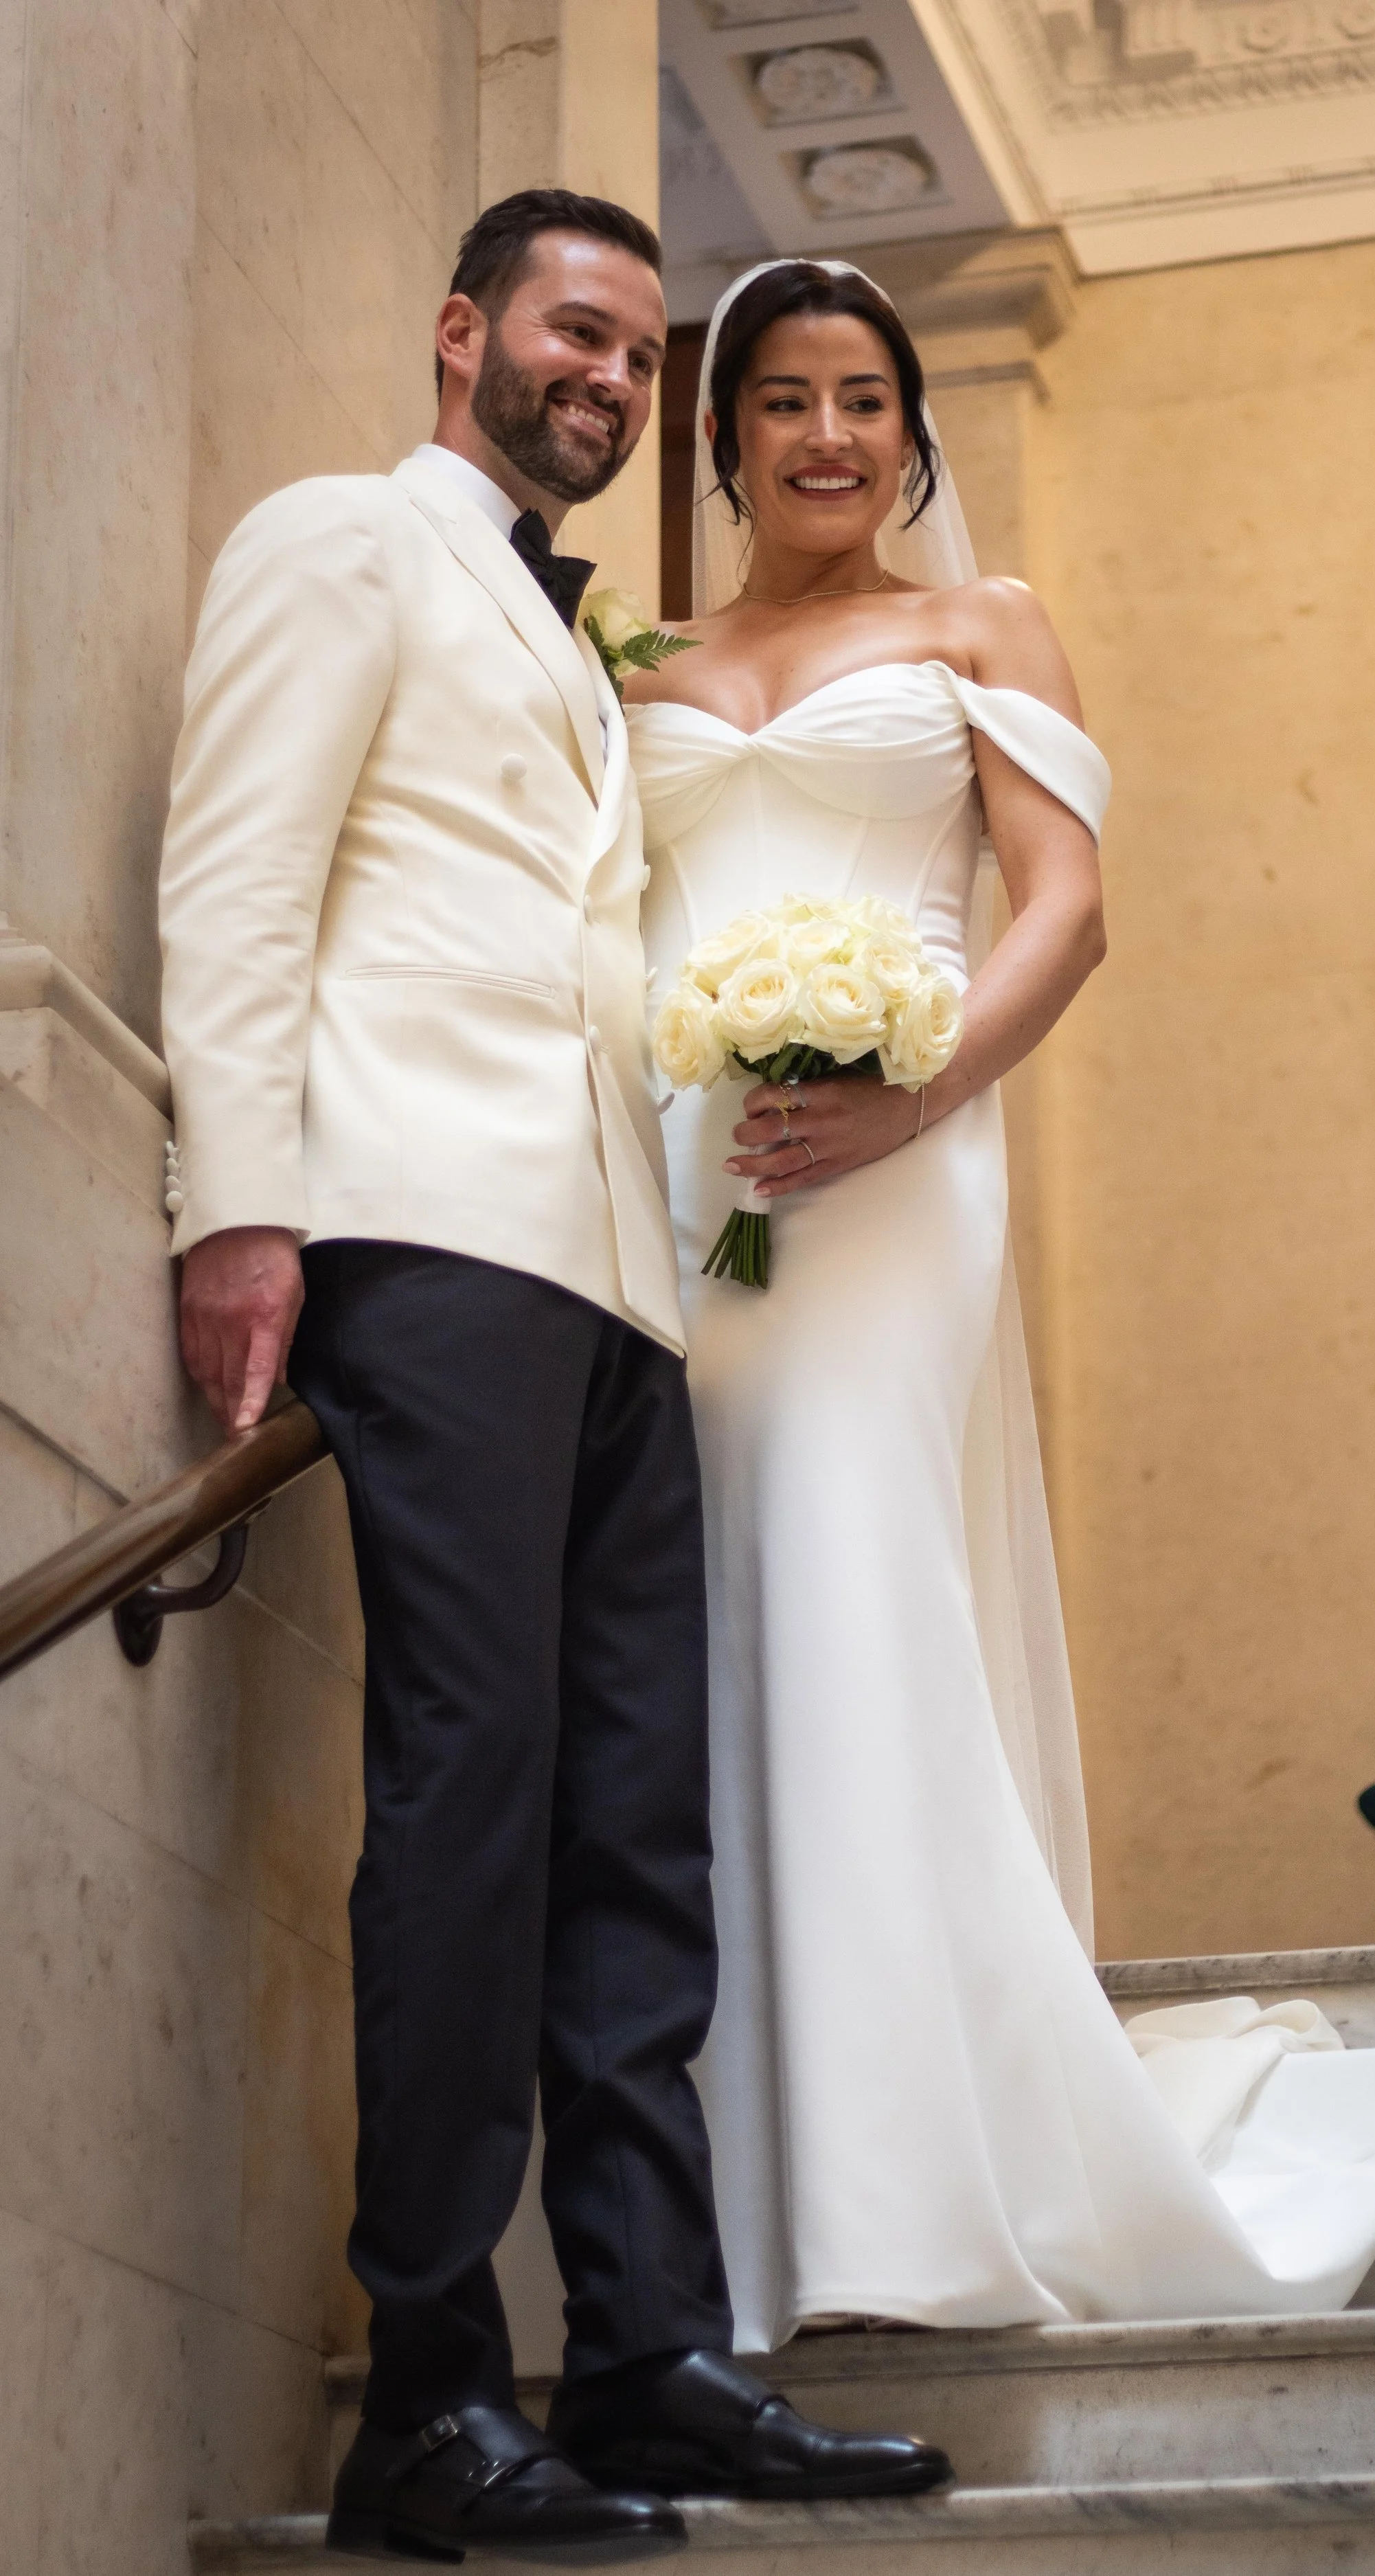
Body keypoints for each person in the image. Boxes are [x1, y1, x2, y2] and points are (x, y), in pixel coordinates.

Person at [157, 196, 948, 2566]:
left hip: (618, 1279)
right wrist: (238, 1207)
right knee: (474, 1796)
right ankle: (419, 2389)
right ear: (462, 336)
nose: (605, 378)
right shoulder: (341, 543)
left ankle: (641, 2348)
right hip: (431, 1240)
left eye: (631, 351)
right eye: (570, 334)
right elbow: (237, 870)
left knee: (633, 1823)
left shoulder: (580, 622)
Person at [622, 258, 1375, 2354]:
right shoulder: (634, 656)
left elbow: (1069, 906)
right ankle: (719, 2207)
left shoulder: (976, 626)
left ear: (904, 429)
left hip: (896, 1174)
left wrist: (902, 1095)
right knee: (702, 1624)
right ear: (722, 431)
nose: (823, 435)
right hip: (675, 1178)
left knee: (846, 1581)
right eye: (780, 401)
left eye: (860, 399)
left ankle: (895, 2201)